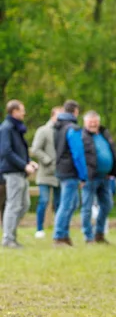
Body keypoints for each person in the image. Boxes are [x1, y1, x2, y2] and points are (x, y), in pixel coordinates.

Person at [72, 111, 116, 244]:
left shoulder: (104, 134)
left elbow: (112, 152)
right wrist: (81, 175)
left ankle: (99, 232)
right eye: (90, 122)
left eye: (95, 121)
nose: (93, 124)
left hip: (105, 177)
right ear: (85, 123)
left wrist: (114, 171)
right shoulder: (82, 136)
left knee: (107, 205)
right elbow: (78, 156)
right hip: (90, 177)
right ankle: (88, 236)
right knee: (87, 207)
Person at [1, 100, 39, 249]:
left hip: (20, 172)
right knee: (13, 205)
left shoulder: (17, 128)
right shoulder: (6, 128)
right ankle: (8, 239)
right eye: (22, 110)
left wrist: (30, 162)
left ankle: (10, 234)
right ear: (14, 111)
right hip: (12, 172)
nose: (24, 113)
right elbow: (6, 151)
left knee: (24, 205)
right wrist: (24, 165)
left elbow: (20, 150)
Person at [52, 100, 82, 247]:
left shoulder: (57, 127)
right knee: (66, 204)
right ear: (75, 111)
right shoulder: (72, 129)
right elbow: (77, 153)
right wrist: (83, 174)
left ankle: (64, 234)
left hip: (61, 168)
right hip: (70, 170)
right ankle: (59, 236)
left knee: (73, 203)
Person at [30, 106, 62, 237]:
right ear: (52, 116)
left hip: (59, 173)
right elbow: (35, 149)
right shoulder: (43, 130)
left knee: (59, 202)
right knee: (44, 200)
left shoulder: (63, 131)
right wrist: (47, 160)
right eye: (59, 116)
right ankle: (39, 229)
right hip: (45, 173)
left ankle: (59, 228)